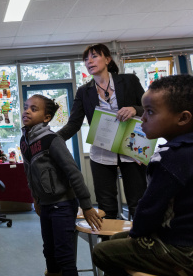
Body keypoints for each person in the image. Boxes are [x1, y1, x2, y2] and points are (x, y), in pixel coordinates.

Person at [92, 74, 193, 276]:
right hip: (184, 236)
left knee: (102, 252)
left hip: (181, 248)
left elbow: (149, 208)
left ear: (182, 118)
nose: (143, 118)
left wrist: (136, 235)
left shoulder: (169, 158)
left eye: (150, 112)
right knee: (116, 240)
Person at [57, 43, 147, 219]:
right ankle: (108, 245)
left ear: (107, 59)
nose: (89, 61)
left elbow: (149, 108)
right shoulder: (84, 91)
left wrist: (135, 109)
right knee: (107, 206)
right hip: (102, 152)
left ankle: (138, 243)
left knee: (138, 202)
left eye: (94, 56)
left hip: (132, 149)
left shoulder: (129, 81)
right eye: (86, 59)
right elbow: (74, 124)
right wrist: (51, 139)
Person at [20, 94, 103, 276]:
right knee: (49, 252)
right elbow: (29, 173)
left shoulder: (52, 140)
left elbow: (73, 172)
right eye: (26, 107)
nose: (26, 111)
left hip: (63, 205)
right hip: (45, 205)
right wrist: (36, 198)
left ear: (46, 118)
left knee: (64, 254)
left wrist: (87, 206)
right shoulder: (25, 141)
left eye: (34, 109)